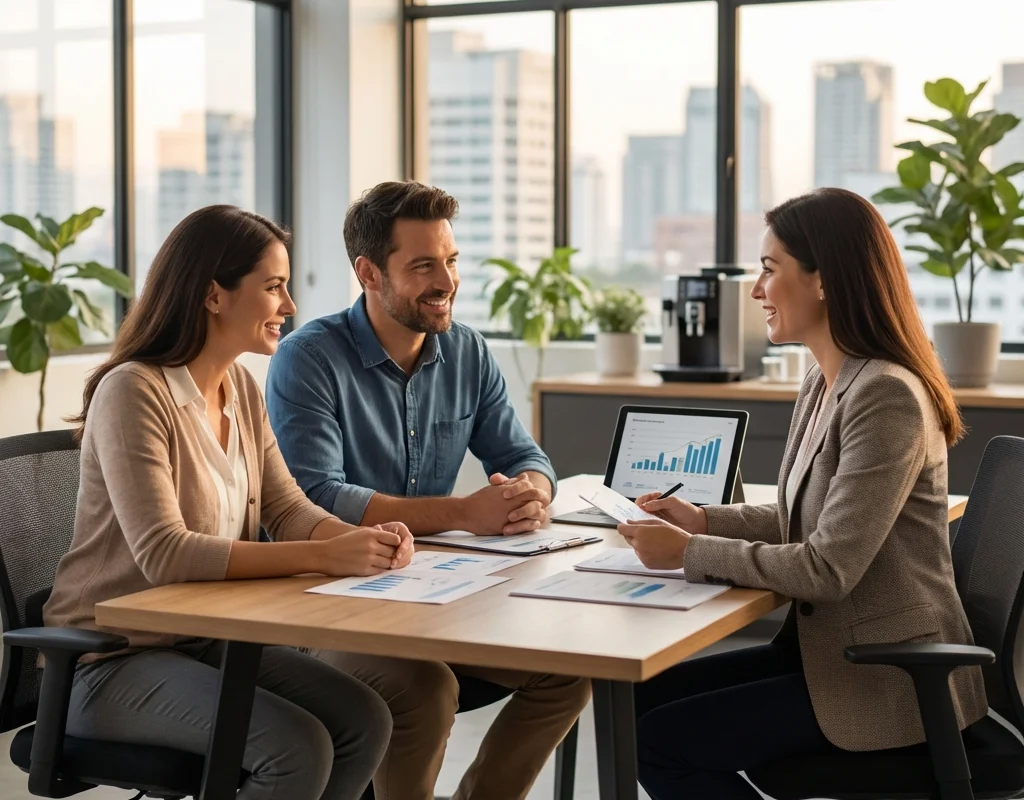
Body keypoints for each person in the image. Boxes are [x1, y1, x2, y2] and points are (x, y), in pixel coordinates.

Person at [618, 188, 988, 799]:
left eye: (769, 269)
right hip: (830, 654)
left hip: (889, 677)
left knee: (659, 740)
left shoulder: (886, 395)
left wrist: (687, 552)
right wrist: (702, 520)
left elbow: (826, 568)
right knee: (634, 706)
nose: (756, 291)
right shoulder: (824, 379)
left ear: (823, 280)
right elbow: (804, 517)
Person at [44, 205, 418, 800]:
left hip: (203, 641)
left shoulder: (239, 386)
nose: (289, 304)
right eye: (273, 287)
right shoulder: (133, 392)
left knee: (364, 720)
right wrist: (324, 558)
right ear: (214, 294)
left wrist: (355, 542)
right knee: (296, 748)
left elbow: (288, 509)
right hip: (108, 661)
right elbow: (165, 554)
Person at [265, 181, 589, 800]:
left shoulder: (467, 351)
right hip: (324, 606)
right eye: (422, 266)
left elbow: (525, 457)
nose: (446, 281)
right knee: (425, 687)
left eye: (451, 260)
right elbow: (314, 497)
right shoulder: (308, 358)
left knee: (566, 670)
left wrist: (531, 494)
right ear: (368, 272)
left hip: (435, 595)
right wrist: (465, 513)